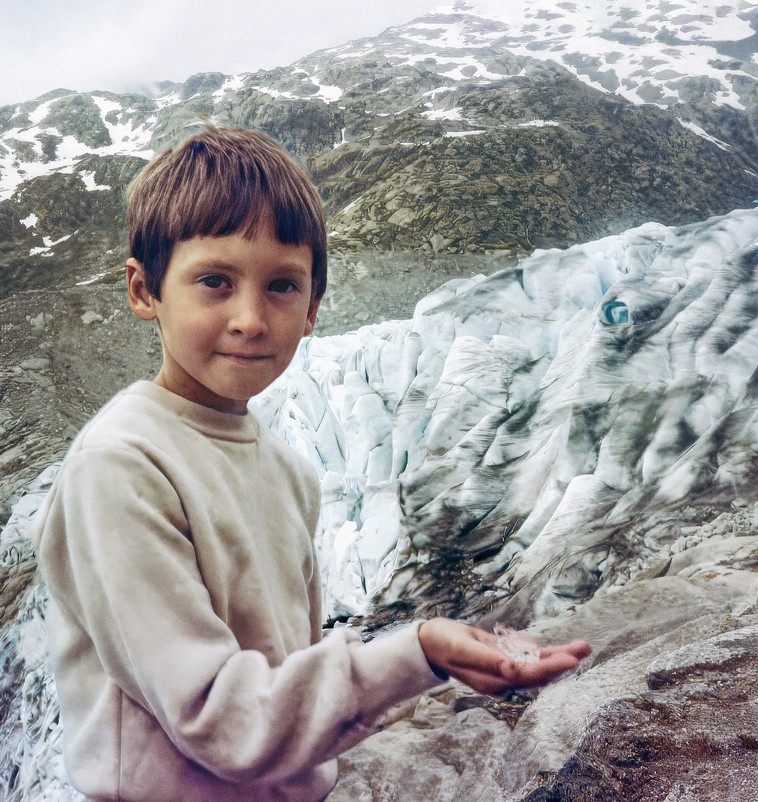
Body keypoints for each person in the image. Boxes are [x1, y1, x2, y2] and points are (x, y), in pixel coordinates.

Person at [32, 125, 591, 802]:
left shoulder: (287, 472)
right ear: (144, 290)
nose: (250, 318)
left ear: (313, 309)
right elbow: (220, 719)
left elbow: (283, 677)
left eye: (282, 286)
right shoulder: (120, 468)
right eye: (214, 280)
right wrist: (420, 653)